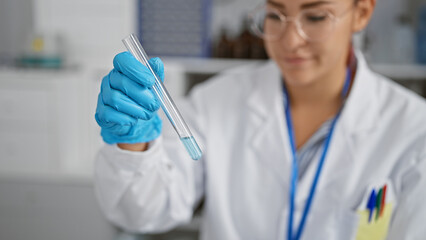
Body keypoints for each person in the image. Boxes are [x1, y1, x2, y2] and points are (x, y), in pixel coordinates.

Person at [94, 0, 426, 239]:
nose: (291, 40)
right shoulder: (216, 101)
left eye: (315, 16)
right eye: (275, 14)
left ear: (362, 12)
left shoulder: (414, 130)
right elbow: (143, 212)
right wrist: (134, 143)